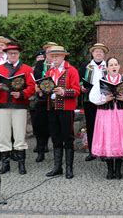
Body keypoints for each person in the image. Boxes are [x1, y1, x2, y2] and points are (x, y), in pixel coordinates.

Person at [0, 42, 35, 175]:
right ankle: (5, 163)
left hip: (19, 105)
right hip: (2, 105)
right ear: (6, 54)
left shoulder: (26, 69)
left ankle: (21, 163)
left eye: (15, 53)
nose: (12, 55)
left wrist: (22, 94)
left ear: (19, 54)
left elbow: (32, 86)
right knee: (3, 135)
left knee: (20, 134)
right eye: (10, 53)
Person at [90, 57, 123, 179]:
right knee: (108, 139)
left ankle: (118, 170)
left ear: (119, 67)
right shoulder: (101, 81)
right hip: (106, 113)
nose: (113, 67)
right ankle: (109, 169)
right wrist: (104, 99)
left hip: (122, 113)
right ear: (107, 68)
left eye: (116, 64)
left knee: (120, 140)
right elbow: (92, 97)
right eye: (111, 65)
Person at [43, 45, 81, 179]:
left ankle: (69, 168)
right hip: (52, 108)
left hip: (66, 109)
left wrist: (64, 92)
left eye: (57, 56)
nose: (54, 59)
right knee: (55, 137)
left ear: (63, 56)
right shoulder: (49, 72)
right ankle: (57, 167)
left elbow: (77, 90)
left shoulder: (71, 71)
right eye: (53, 56)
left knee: (68, 138)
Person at [79, 43, 109, 161]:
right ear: (92, 53)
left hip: (104, 100)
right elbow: (80, 80)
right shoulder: (85, 66)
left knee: (104, 126)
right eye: (96, 51)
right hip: (89, 99)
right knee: (91, 125)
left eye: (101, 52)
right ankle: (92, 151)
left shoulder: (108, 66)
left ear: (104, 54)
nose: (98, 53)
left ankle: (104, 151)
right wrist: (82, 86)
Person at [31, 42, 57, 163]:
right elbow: (36, 78)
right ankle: (41, 150)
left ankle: (57, 154)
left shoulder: (59, 65)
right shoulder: (40, 64)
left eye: (53, 52)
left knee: (55, 126)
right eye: (48, 52)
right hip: (42, 98)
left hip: (56, 99)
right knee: (40, 125)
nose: (50, 55)